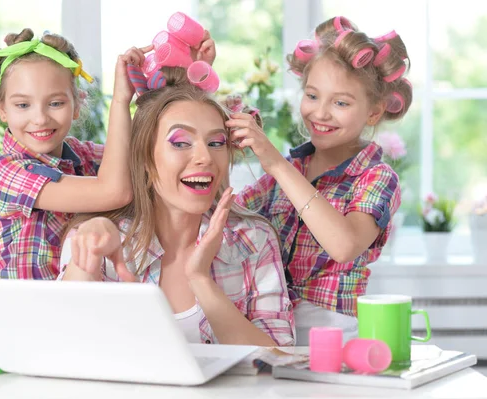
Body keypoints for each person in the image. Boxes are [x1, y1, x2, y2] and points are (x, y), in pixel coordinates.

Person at [59, 64, 295, 346]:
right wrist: (88, 259)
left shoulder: (254, 240)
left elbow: (279, 359)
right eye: (181, 143)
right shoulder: (99, 238)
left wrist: (200, 280)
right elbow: (65, 344)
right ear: (145, 159)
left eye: (216, 143)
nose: (204, 157)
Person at [230, 16, 410, 343]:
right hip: (270, 323)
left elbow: (343, 245)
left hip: (334, 332)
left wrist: (276, 165)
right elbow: (226, 213)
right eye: (312, 96)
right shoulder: (289, 169)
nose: (321, 113)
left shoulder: (377, 177)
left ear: (373, 112)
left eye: (340, 102)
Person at [0, 28, 136, 280]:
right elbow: (115, 192)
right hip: (25, 314)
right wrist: (120, 101)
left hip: (79, 309)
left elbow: (150, 162)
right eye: (22, 105)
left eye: (55, 103)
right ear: (1, 109)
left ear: (77, 104)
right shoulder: (4, 173)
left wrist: (183, 79)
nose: (40, 119)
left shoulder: (84, 157)